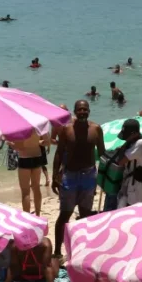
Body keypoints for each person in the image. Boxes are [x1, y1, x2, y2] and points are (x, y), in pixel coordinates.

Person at [51, 100, 105, 264]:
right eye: (79, 110)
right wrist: (54, 176)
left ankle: (84, 249)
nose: (82, 112)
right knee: (65, 214)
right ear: (75, 111)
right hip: (70, 176)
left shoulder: (96, 129)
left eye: (85, 109)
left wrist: (106, 174)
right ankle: (57, 252)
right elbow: (59, 153)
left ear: (89, 111)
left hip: (89, 176)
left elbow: (102, 153)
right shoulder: (66, 130)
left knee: (86, 215)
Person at [115, 119, 142, 208]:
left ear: (134, 133)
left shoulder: (141, 143)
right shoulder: (136, 142)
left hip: (137, 184)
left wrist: (123, 148)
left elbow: (121, 161)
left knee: (134, 209)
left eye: (127, 136)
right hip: (132, 182)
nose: (126, 139)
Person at [10, 132, 47, 216]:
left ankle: (27, 216)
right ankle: (38, 214)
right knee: (36, 187)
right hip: (37, 157)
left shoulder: (21, 127)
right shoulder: (38, 125)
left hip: (24, 158)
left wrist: (10, 143)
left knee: (25, 191)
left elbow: (20, 147)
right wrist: (36, 142)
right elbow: (47, 142)